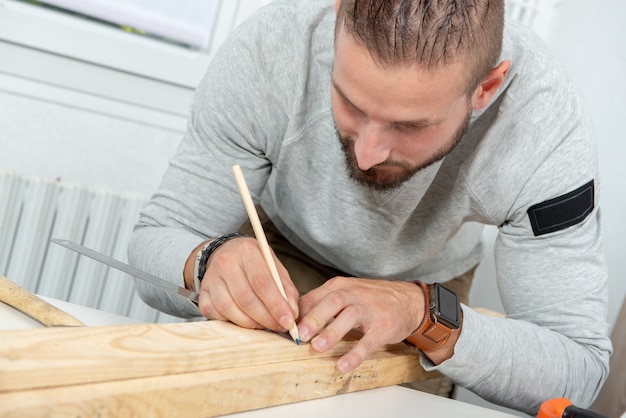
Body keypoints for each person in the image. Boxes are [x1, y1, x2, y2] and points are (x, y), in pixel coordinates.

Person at [128, 0, 612, 414]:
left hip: (428, 291)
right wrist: (206, 261)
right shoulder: (268, 53)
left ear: (485, 89)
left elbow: (578, 374)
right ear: (337, 18)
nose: (366, 154)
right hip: (278, 255)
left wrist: (425, 314)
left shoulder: (545, 128)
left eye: (410, 125)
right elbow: (158, 238)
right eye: (349, 102)